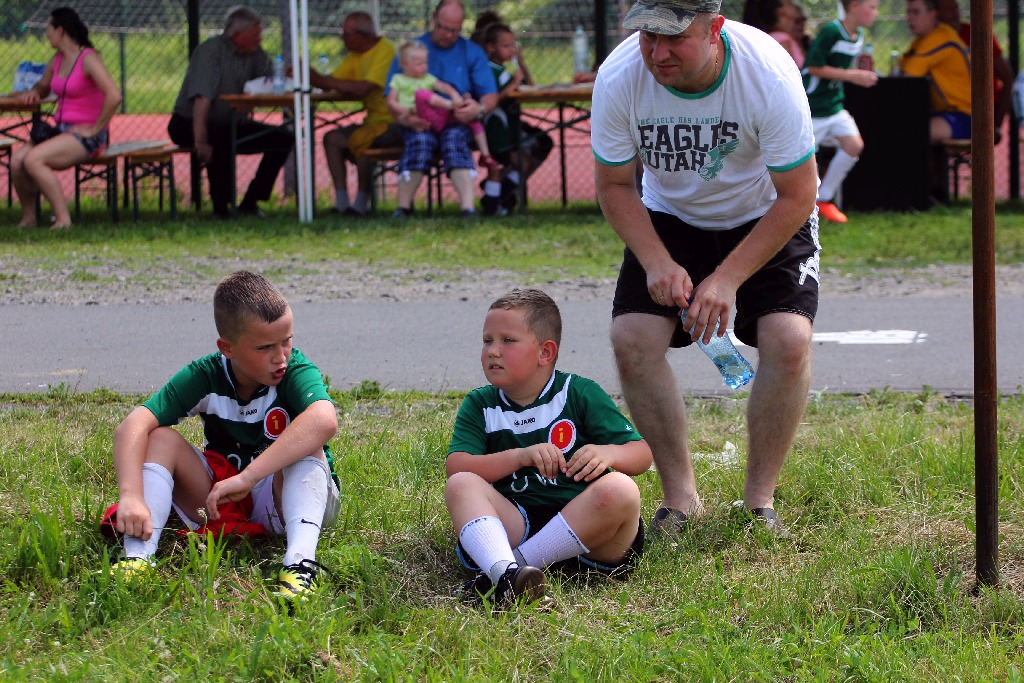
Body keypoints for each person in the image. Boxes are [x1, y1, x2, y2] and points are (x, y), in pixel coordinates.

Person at [592, 0, 820, 536]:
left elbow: (799, 192)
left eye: (675, 38)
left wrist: (728, 278)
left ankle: (758, 503)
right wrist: (656, 260)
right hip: (671, 214)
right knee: (632, 339)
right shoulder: (620, 75)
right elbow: (614, 184)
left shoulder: (767, 73)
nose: (657, 52)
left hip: (765, 210)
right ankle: (680, 499)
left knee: (787, 340)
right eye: (648, 36)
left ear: (715, 28)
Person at [107, 270, 340, 601]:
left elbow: (324, 419)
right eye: (265, 347)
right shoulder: (205, 374)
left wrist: (248, 477)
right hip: (222, 498)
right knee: (158, 437)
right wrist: (130, 496)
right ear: (226, 348)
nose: (281, 356)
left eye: (287, 340)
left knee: (308, 447)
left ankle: (301, 565)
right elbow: (131, 426)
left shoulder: (296, 370)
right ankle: (138, 558)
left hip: (287, 499)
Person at [445, 289, 652, 608]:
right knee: (461, 484)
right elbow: (457, 466)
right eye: (487, 341)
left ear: (545, 352)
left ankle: (505, 574)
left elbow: (641, 454)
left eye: (507, 341)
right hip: (516, 523)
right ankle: (511, 573)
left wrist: (608, 454)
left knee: (621, 489)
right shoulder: (480, 404)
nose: (493, 351)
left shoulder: (580, 393)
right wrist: (519, 457)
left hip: (591, 536)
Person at [168, 6, 294, 218]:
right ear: (237, 35)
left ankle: (251, 201)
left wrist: (286, 77)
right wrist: (200, 141)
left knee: (282, 138)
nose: (260, 39)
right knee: (218, 137)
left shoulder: (256, 54)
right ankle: (221, 206)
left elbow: (270, 82)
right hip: (189, 122)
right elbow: (202, 100)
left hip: (230, 124)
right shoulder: (211, 52)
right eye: (255, 34)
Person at [385, 0, 498, 218]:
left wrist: (479, 109)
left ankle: (468, 207)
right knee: (420, 141)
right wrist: (407, 120)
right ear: (434, 18)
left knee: (454, 139)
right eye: (443, 28)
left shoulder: (471, 52)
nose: (447, 34)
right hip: (418, 122)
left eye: (454, 31)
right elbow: (391, 100)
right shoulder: (411, 51)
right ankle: (403, 208)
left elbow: (490, 95)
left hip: (456, 120)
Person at [11, 7, 121, 230]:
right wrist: (34, 92)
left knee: (34, 159)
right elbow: (42, 87)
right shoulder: (58, 60)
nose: (46, 34)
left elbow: (114, 95)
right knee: (17, 160)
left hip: (86, 135)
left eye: (48, 29)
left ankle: (63, 219)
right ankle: (29, 218)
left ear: (59, 30)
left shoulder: (88, 59)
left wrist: (95, 128)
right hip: (62, 130)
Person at [309, 11, 402, 216]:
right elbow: (334, 82)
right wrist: (318, 80)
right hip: (372, 122)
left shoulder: (385, 51)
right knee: (331, 139)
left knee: (362, 139)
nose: (342, 39)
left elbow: (363, 88)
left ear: (362, 35)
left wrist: (320, 79)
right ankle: (342, 202)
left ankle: (361, 204)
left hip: (394, 123)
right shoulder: (356, 55)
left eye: (346, 34)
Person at [803, 0, 880, 224]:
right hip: (814, 107)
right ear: (854, 6)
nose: (875, 13)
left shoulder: (859, 37)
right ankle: (804, 207)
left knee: (853, 145)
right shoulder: (831, 31)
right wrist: (853, 76)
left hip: (834, 107)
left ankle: (824, 198)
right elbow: (813, 67)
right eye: (872, 7)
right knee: (806, 158)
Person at [387, 40, 502, 173]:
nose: (425, 66)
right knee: (421, 95)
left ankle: (486, 155)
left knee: (471, 118)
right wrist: (405, 110)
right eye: (420, 64)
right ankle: (450, 106)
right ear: (405, 65)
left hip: (433, 118)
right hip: (414, 118)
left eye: (426, 63)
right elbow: (391, 102)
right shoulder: (398, 79)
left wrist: (455, 96)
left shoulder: (427, 78)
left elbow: (444, 86)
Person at [479, 22, 554, 216]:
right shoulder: (488, 70)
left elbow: (528, 86)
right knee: (499, 168)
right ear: (491, 47)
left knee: (522, 162)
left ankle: (497, 199)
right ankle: (493, 205)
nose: (512, 49)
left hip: (509, 130)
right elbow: (492, 99)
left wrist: (521, 64)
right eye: (506, 46)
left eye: (513, 45)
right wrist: (512, 84)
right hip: (496, 131)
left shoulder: (504, 70)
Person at [936, 0, 1014, 145]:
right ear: (936, 14)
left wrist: (997, 123)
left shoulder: (978, 34)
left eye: (955, 8)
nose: (954, 13)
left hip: (979, 111)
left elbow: (1007, 78)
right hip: (951, 108)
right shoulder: (933, 41)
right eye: (948, 9)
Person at [900, 0, 971, 143]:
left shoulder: (940, 36)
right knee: (899, 127)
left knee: (909, 133)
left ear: (932, 15)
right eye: (908, 12)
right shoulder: (920, 41)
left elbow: (908, 77)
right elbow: (901, 72)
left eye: (916, 12)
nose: (910, 17)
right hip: (944, 113)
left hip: (967, 116)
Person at [741, 0, 804, 67]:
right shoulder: (783, 40)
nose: (793, 5)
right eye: (789, 3)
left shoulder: (770, 37)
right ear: (781, 10)